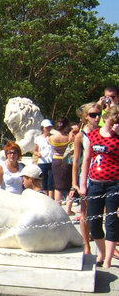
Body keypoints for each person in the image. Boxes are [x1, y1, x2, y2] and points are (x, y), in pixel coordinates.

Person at [79, 105, 119, 268]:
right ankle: (101, 252)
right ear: (105, 119)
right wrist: (82, 185)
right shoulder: (93, 135)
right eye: (112, 120)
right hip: (95, 183)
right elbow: (86, 160)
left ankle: (108, 259)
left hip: (114, 183)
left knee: (110, 221)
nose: (114, 123)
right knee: (94, 221)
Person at [69, 102, 102, 254]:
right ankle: (86, 244)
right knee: (85, 212)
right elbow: (76, 161)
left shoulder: (104, 132)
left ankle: (107, 244)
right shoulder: (80, 136)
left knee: (107, 212)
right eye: (93, 115)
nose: (96, 118)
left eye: (98, 114)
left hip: (103, 174)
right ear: (86, 117)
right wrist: (74, 183)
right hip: (86, 175)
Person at [49, 117, 76, 205]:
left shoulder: (52, 138)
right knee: (68, 187)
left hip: (56, 160)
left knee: (58, 187)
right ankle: (68, 209)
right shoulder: (68, 138)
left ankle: (58, 206)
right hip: (67, 160)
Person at [33, 119, 55, 197]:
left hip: (51, 161)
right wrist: (38, 154)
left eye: (49, 127)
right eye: (47, 127)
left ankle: (52, 199)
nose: (48, 129)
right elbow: (34, 150)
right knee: (44, 182)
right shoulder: (38, 138)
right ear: (42, 128)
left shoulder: (53, 137)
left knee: (51, 182)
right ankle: (46, 197)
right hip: (42, 162)